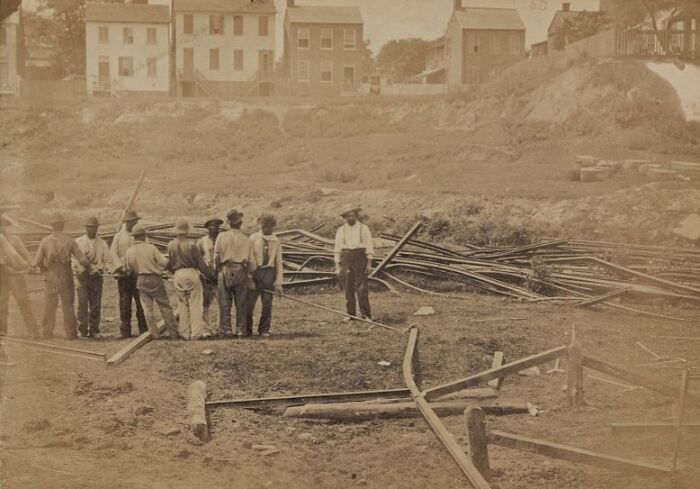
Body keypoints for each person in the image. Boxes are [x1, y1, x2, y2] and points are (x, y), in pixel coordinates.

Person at [35, 212, 91, 339]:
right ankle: (71, 334)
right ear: (62, 225)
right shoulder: (70, 241)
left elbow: (38, 260)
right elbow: (82, 259)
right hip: (66, 275)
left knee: (50, 304)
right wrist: (90, 268)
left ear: (52, 226)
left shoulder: (44, 241)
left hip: (51, 275)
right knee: (68, 304)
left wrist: (44, 269)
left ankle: (47, 333)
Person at [124, 224, 178, 340]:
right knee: (164, 306)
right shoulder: (151, 248)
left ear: (134, 237)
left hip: (141, 279)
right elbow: (164, 262)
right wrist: (174, 268)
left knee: (147, 309)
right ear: (144, 235)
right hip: (155, 279)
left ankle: (155, 334)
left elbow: (130, 270)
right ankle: (174, 333)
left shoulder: (129, 251)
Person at [167, 217, 215, 340]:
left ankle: (184, 332)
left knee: (182, 304)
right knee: (195, 303)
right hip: (191, 273)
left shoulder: (171, 245)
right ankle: (196, 333)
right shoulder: (191, 245)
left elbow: (170, 264)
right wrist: (213, 277)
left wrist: (175, 271)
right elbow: (201, 264)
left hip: (178, 274)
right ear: (187, 231)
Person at [214, 209, 256, 337]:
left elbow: (216, 255)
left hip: (225, 269)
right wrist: (249, 273)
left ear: (229, 222)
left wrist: (218, 270)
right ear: (240, 223)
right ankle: (241, 330)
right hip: (240, 269)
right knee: (241, 302)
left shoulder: (221, 236)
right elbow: (252, 262)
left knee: (224, 302)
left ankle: (226, 330)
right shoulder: (246, 239)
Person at [73, 216, 115, 339]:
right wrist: (82, 269)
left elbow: (107, 260)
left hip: (96, 277)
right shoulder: (78, 242)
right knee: (82, 304)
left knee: (95, 304)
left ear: (97, 228)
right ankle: (82, 330)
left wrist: (104, 269)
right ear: (85, 228)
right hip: (82, 277)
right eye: (89, 227)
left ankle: (94, 330)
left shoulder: (102, 244)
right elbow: (74, 260)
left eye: (94, 227)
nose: (92, 229)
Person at [0, 213, 40, 338]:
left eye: (4, 226)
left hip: (16, 276)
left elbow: (24, 253)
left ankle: (33, 332)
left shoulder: (14, 239)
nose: (3, 228)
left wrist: (33, 265)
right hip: (2, 276)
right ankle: (2, 333)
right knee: (2, 305)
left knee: (23, 302)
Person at [111, 209, 148, 338]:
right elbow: (113, 254)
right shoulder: (119, 236)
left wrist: (138, 268)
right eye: (129, 222)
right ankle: (125, 331)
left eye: (134, 221)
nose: (131, 224)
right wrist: (120, 268)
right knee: (125, 302)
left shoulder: (140, 235)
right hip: (124, 275)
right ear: (125, 222)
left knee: (140, 302)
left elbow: (145, 252)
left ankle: (143, 329)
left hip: (138, 274)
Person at [334, 207, 374, 321]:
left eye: (352, 215)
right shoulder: (341, 230)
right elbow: (337, 249)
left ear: (356, 216)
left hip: (360, 257)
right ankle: (350, 314)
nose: (350, 217)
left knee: (362, 288)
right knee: (348, 287)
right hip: (346, 258)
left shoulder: (364, 228)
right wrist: (337, 266)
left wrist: (369, 263)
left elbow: (369, 246)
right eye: (348, 216)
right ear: (345, 217)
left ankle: (366, 315)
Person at [246, 214, 284, 337]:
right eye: (264, 226)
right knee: (250, 302)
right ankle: (247, 328)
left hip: (269, 272)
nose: (266, 229)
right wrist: (250, 277)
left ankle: (264, 329)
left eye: (269, 227)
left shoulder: (276, 240)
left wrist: (278, 282)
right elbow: (249, 258)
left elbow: (278, 262)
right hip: (255, 270)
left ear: (273, 227)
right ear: (260, 225)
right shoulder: (253, 238)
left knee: (267, 302)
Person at [197, 216, 223, 336]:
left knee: (222, 303)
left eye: (216, 225)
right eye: (211, 225)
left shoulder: (222, 240)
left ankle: (220, 328)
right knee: (205, 303)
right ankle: (205, 329)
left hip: (220, 276)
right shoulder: (202, 242)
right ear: (207, 228)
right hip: (206, 277)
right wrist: (204, 272)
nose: (214, 228)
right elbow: (198, 259)